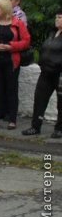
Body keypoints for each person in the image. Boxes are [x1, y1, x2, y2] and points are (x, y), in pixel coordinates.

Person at [0, 0, 30, 130]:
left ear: (5, 10)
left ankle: (12, 120)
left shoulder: (18, 23)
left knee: (11, 90)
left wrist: (11, 46)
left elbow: (26, 41)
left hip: (11, 61)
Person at [22, 9, 62, 138]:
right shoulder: (52, 33)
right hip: (46, 72)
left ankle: (59, 128)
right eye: (56, 17)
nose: (57, 19)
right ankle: (35, 126)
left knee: (60, 102)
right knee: (40, 99)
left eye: (60, 17)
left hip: (59, 73)